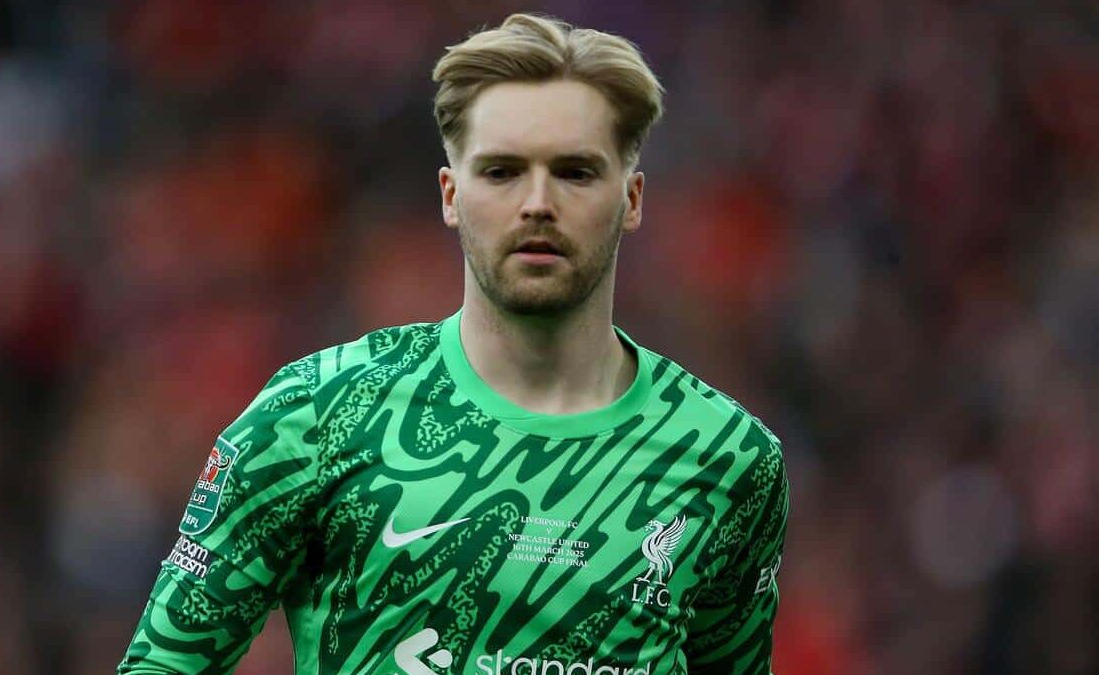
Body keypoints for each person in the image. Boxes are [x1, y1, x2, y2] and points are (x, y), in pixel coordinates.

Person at [118, 13, 788, 675]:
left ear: (632, 198)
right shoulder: (318, 413)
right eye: (500, 172)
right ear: (450, 194)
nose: (537, 203)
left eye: (576, 172)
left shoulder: (728, 458)